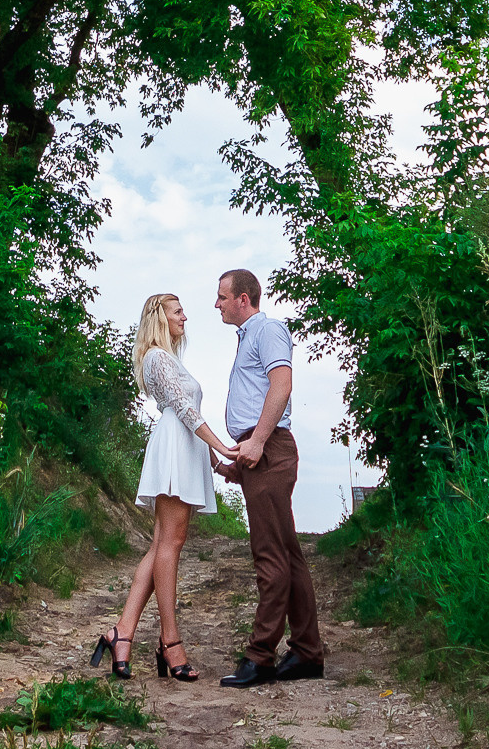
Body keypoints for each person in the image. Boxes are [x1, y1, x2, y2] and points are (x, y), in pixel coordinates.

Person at [92, 293, 244, 682]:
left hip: (184, 447)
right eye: (178, 311)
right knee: (171, 545)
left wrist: (215, 461)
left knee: (161, 544)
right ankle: (169, 641)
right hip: (175, 449)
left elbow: (186, 416)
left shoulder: (170, 359)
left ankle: (121, 633)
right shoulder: (157, 357)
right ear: (159, 316)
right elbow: (185, 410)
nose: (185, 317)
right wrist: (221, 445)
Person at [210, 268, 324, 686]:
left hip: (270, 448)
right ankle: (308, 653)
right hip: (262, 451)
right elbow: (260, 400)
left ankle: (260, 657)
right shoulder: (246, 340)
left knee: (270, 558)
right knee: (288, 555)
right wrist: (235, 464)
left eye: (222, 296)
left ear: (244, 298)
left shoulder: (268, 329)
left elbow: (281, 387)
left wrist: (256, 443)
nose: (216, 304)